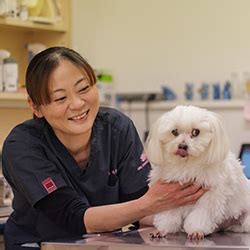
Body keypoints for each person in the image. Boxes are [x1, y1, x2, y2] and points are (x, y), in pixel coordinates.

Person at [2, 47, 206, 249]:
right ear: (35, 106)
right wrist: (151, 202)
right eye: (60, 98)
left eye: (83, 89)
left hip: (99, 245)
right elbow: (73, 216)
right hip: (39, 245)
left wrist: (202, 216)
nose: (78, 103)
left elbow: (141, 208)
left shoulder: (117, 128)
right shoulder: (23, 146)